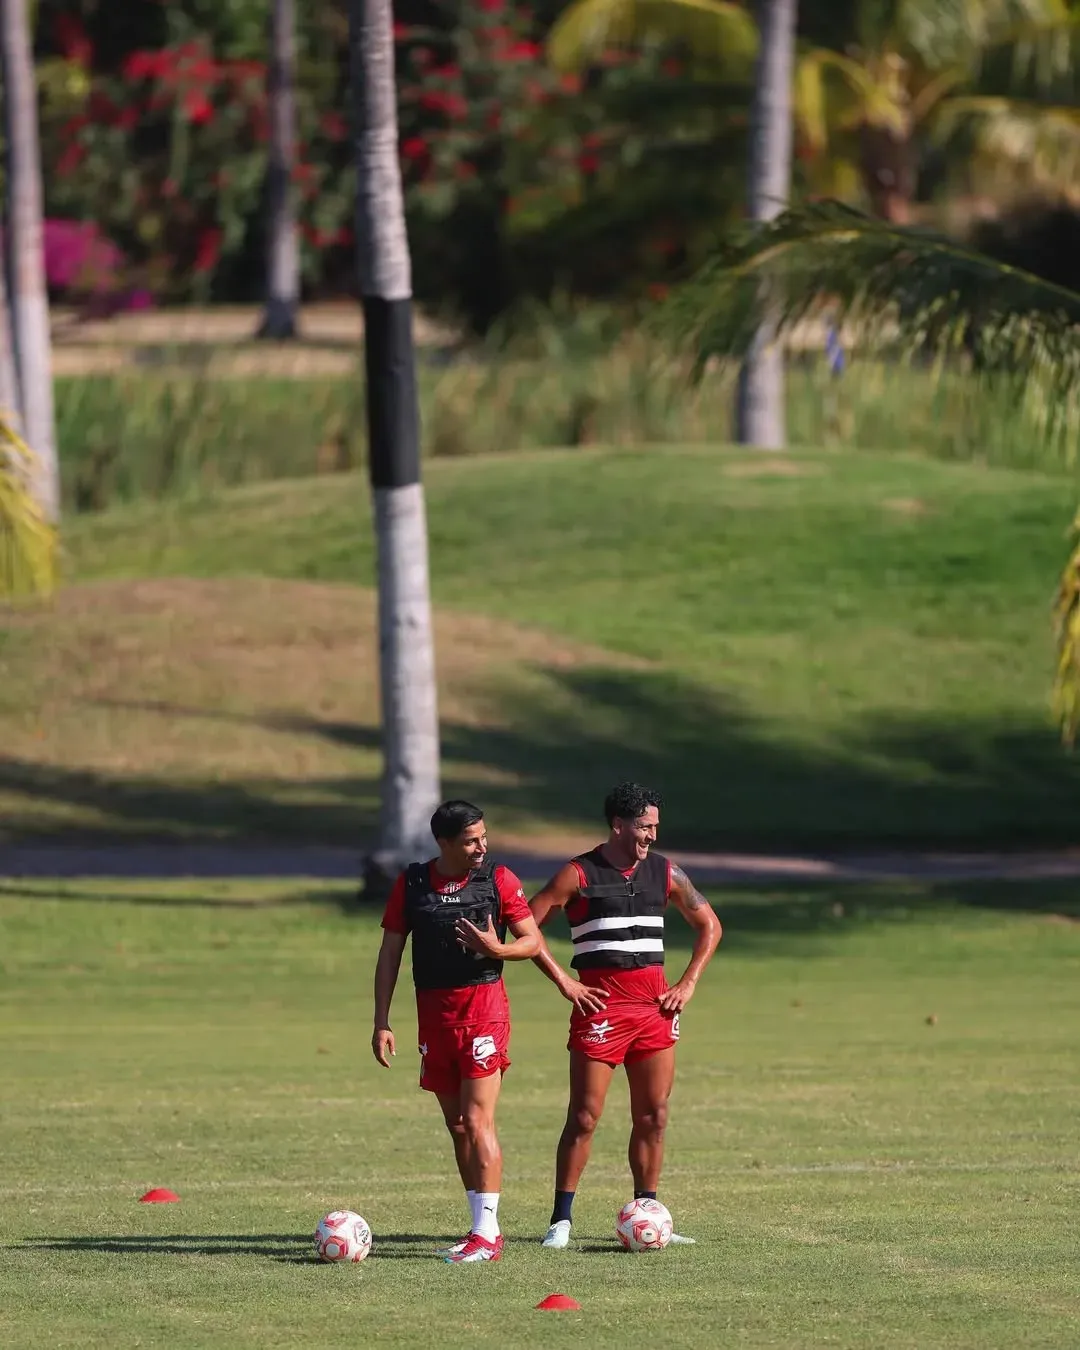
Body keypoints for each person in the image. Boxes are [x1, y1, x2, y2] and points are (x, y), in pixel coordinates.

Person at [528, 781, 722, 1249]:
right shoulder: (578, 874)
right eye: (644, 827)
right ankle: (561, 1221)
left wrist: (687, 983)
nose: (652, 835)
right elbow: (525, 928)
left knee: (654, 1115)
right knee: (585, 1116)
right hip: (602, 1008)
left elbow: (709, 925)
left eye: (655, 826)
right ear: (618, 825)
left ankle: (647, 1210)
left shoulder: (666, 873)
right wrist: (565, 981)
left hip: (654, 1009)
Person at [372, 799, 542, 1264]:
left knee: (479, 1118)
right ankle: (477, 1229)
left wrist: (496, 948)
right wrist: (381, 1021)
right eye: (470, 841)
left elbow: (532, 942)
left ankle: (489, 1234)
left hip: (484, 1011)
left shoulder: (499, 880)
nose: (482, 846)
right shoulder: (412, 884)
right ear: (443, 843)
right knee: (458, 1125)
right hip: (434, 1016)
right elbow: (390, 955)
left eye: (484, 837)